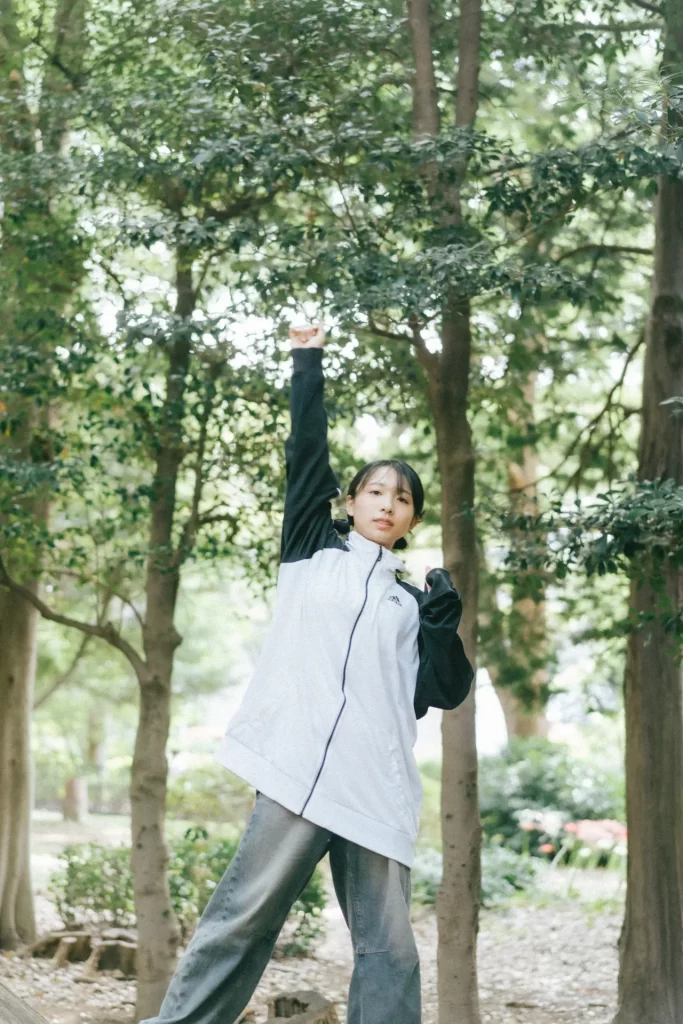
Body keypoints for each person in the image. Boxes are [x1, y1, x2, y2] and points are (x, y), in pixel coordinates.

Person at [142, 323, 474, 1024]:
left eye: (401, 499)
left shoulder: (411, 603)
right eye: (375, 491)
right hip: (295, 774)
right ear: (349, 502)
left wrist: (442, 625)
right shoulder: (309, 551)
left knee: (390, 952)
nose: (386, 504)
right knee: (241, 920)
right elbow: (305, 453)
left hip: (375, 788)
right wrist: (307, 360)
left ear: (411, 520)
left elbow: (442, 692)